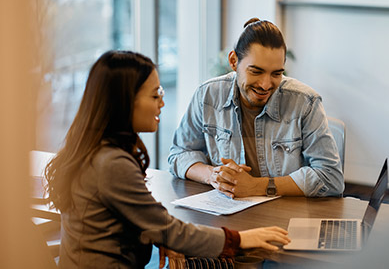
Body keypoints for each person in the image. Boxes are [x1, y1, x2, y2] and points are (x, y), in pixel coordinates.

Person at [44, 50, 290, 268]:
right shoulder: (112, 163)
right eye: (155, 95)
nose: (162, 102)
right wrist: (242, 239)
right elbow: (167, 227)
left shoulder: (96, 150)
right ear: (125, 102)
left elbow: (147, 216)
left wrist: (158, 234)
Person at [168, 18, 344, 198]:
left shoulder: (305, 102)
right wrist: (213, 176)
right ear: (233, 61)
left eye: (276, 73)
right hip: (227, 214)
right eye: (256, 71)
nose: (266, 85)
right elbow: (179, 154)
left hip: (284, 215)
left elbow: (331, 178)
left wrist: (258, 186)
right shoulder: (207, 96)